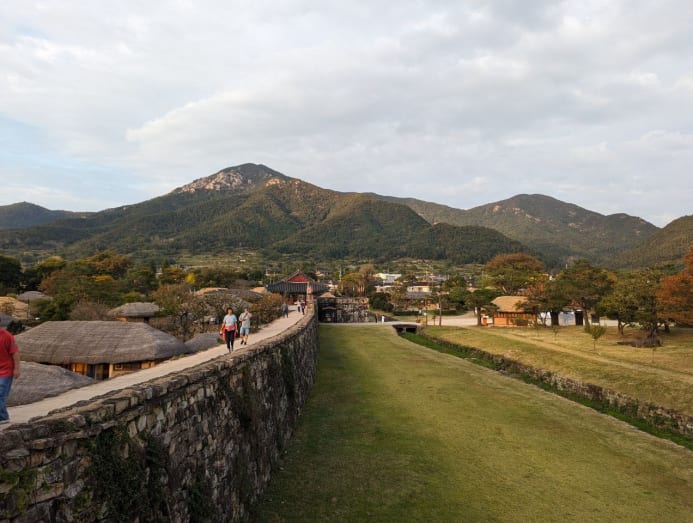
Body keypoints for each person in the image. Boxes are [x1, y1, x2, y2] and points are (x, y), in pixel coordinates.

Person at [0, 327, 20, 425]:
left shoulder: (7, 336)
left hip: (5, 370)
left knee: (0, 394)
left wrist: (17, 369)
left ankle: (3, 417)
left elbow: (15, 353)